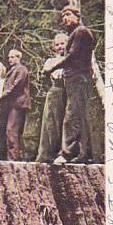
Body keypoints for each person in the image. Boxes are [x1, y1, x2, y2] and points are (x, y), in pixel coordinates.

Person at [45, 5, 94, 164]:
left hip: (78, 79)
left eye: (68, 14)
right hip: (74, 79)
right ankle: (81, 153)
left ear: (77, 16)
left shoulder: (80, 32)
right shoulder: (75, 33)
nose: (65, 18)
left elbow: (72, 57)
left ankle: (67, 154)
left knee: (71, 116)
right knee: (76, 115)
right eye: (63, 16)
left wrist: (53, 66)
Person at [0, 50, 30, 161]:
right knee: (10, 131)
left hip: (18, 104)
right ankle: (11, 156)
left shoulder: (21, 69)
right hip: (11, 104)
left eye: (13, 57)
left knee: (12, 130)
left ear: (19, 58)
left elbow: (16, 86)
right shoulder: (12, 70)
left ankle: (13, 158)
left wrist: (2, 95)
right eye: (9, 57)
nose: (10, 59)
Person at [36, 34, 68, 163]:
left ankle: (63, 152)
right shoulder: (51, 61)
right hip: (54, 93)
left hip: (68, 94)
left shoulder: (72, 59)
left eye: (62, 43)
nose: (60, 47)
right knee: (50, 122)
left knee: (65, 122)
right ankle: (48, 153)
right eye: (57, 44)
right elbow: (44, 74)